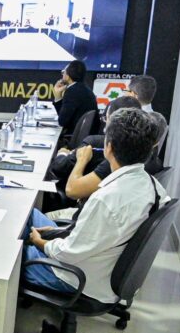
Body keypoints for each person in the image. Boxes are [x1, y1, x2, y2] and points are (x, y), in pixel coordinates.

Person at [23, 108, 169, 302]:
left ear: (109, 147)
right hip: (102, 266)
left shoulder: (106, 200)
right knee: (28, 214)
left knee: (12, 251)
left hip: (75, 279)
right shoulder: (155, 187)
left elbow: (66, 253)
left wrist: (40, 242)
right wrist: (58, 232)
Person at [53, 60, 98, 135]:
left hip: (74, 135)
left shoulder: (72, 92)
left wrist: (58, 97)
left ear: (68, 76)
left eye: (63, 72)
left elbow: (62, 121)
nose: (62, 74)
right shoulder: (83, 88)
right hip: (86, 135)